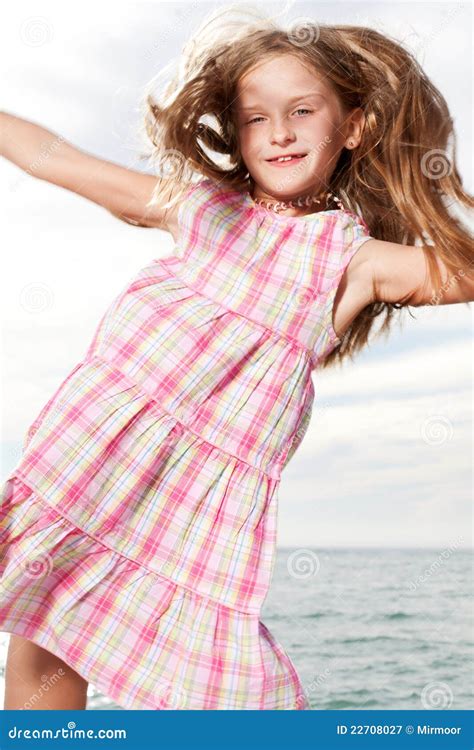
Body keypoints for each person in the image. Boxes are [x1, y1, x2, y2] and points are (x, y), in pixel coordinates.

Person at [0, 13, 473, 711]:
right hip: (83, 465)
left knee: (236, 703)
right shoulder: (197, 211)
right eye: (255, 119)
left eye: (302, 111)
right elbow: (51, 155)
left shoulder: (357, 263)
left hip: (198, 513)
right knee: (41, 641)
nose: (278, 133)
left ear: (354, 127)